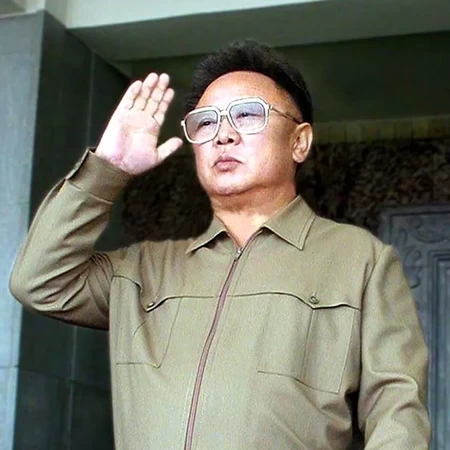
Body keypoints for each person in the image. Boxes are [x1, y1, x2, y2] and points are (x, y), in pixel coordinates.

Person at [10, 40, 430, 449]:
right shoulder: (143, 271)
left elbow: (397, 415)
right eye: (206, 122)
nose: (223, 135)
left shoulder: (359, 261)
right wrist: (107, 170)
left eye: (247, 114)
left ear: (299, 141)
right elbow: (40, 281)